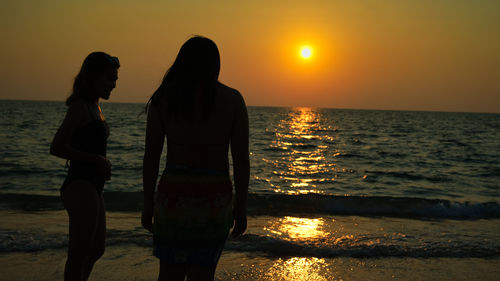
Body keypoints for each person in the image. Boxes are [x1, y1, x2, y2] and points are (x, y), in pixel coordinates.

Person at [142, 36, 249, 281]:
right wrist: (241, 208)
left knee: (169, 274)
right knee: (203, 275)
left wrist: (148, 203)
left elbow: (151, 157)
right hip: (214, 198)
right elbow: (241, 160)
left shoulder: (164, 99)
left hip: (173, 196)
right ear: (216, 64)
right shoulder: (232, 100)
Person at [50, 52, 119, 281]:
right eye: (108, 79)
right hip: (79, 185)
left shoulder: (95, 107)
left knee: (96, 249)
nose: (113, 84)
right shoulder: (80, 108)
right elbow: (57, 147)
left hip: (94, 186)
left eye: (115, 79)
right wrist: (96, 160)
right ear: (93, 78)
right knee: (78, 254)